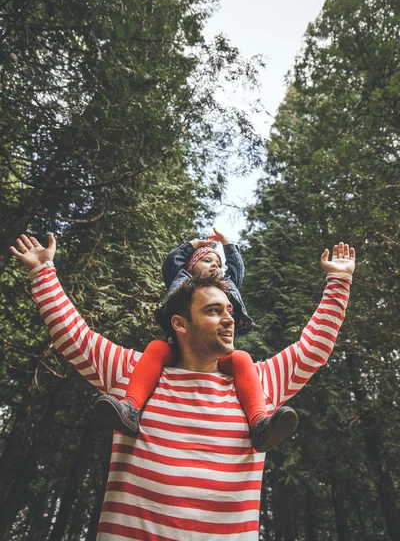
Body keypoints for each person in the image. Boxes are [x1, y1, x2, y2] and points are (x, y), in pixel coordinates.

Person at [10, 234, 355, 541]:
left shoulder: (256, 384)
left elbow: (313, 349)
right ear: (180, 323)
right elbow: (75, 338)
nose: (229, 319)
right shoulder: (132, 371)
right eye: (214, 311)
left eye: (230, 311)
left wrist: (339, 279)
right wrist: (43, 272)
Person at [93, 228, 298, 452]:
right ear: (190, 266)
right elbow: (173, 261)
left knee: (242, 358)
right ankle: (130, 409)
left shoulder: (226, 287)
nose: (215, 266)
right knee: (156, 348)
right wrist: (193, 244)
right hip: (177, 347)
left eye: (218, 264)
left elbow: (237, 270)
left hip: (216, 356)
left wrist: (228, 245)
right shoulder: (183, 279)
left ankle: (259, 424)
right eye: (207, 260)